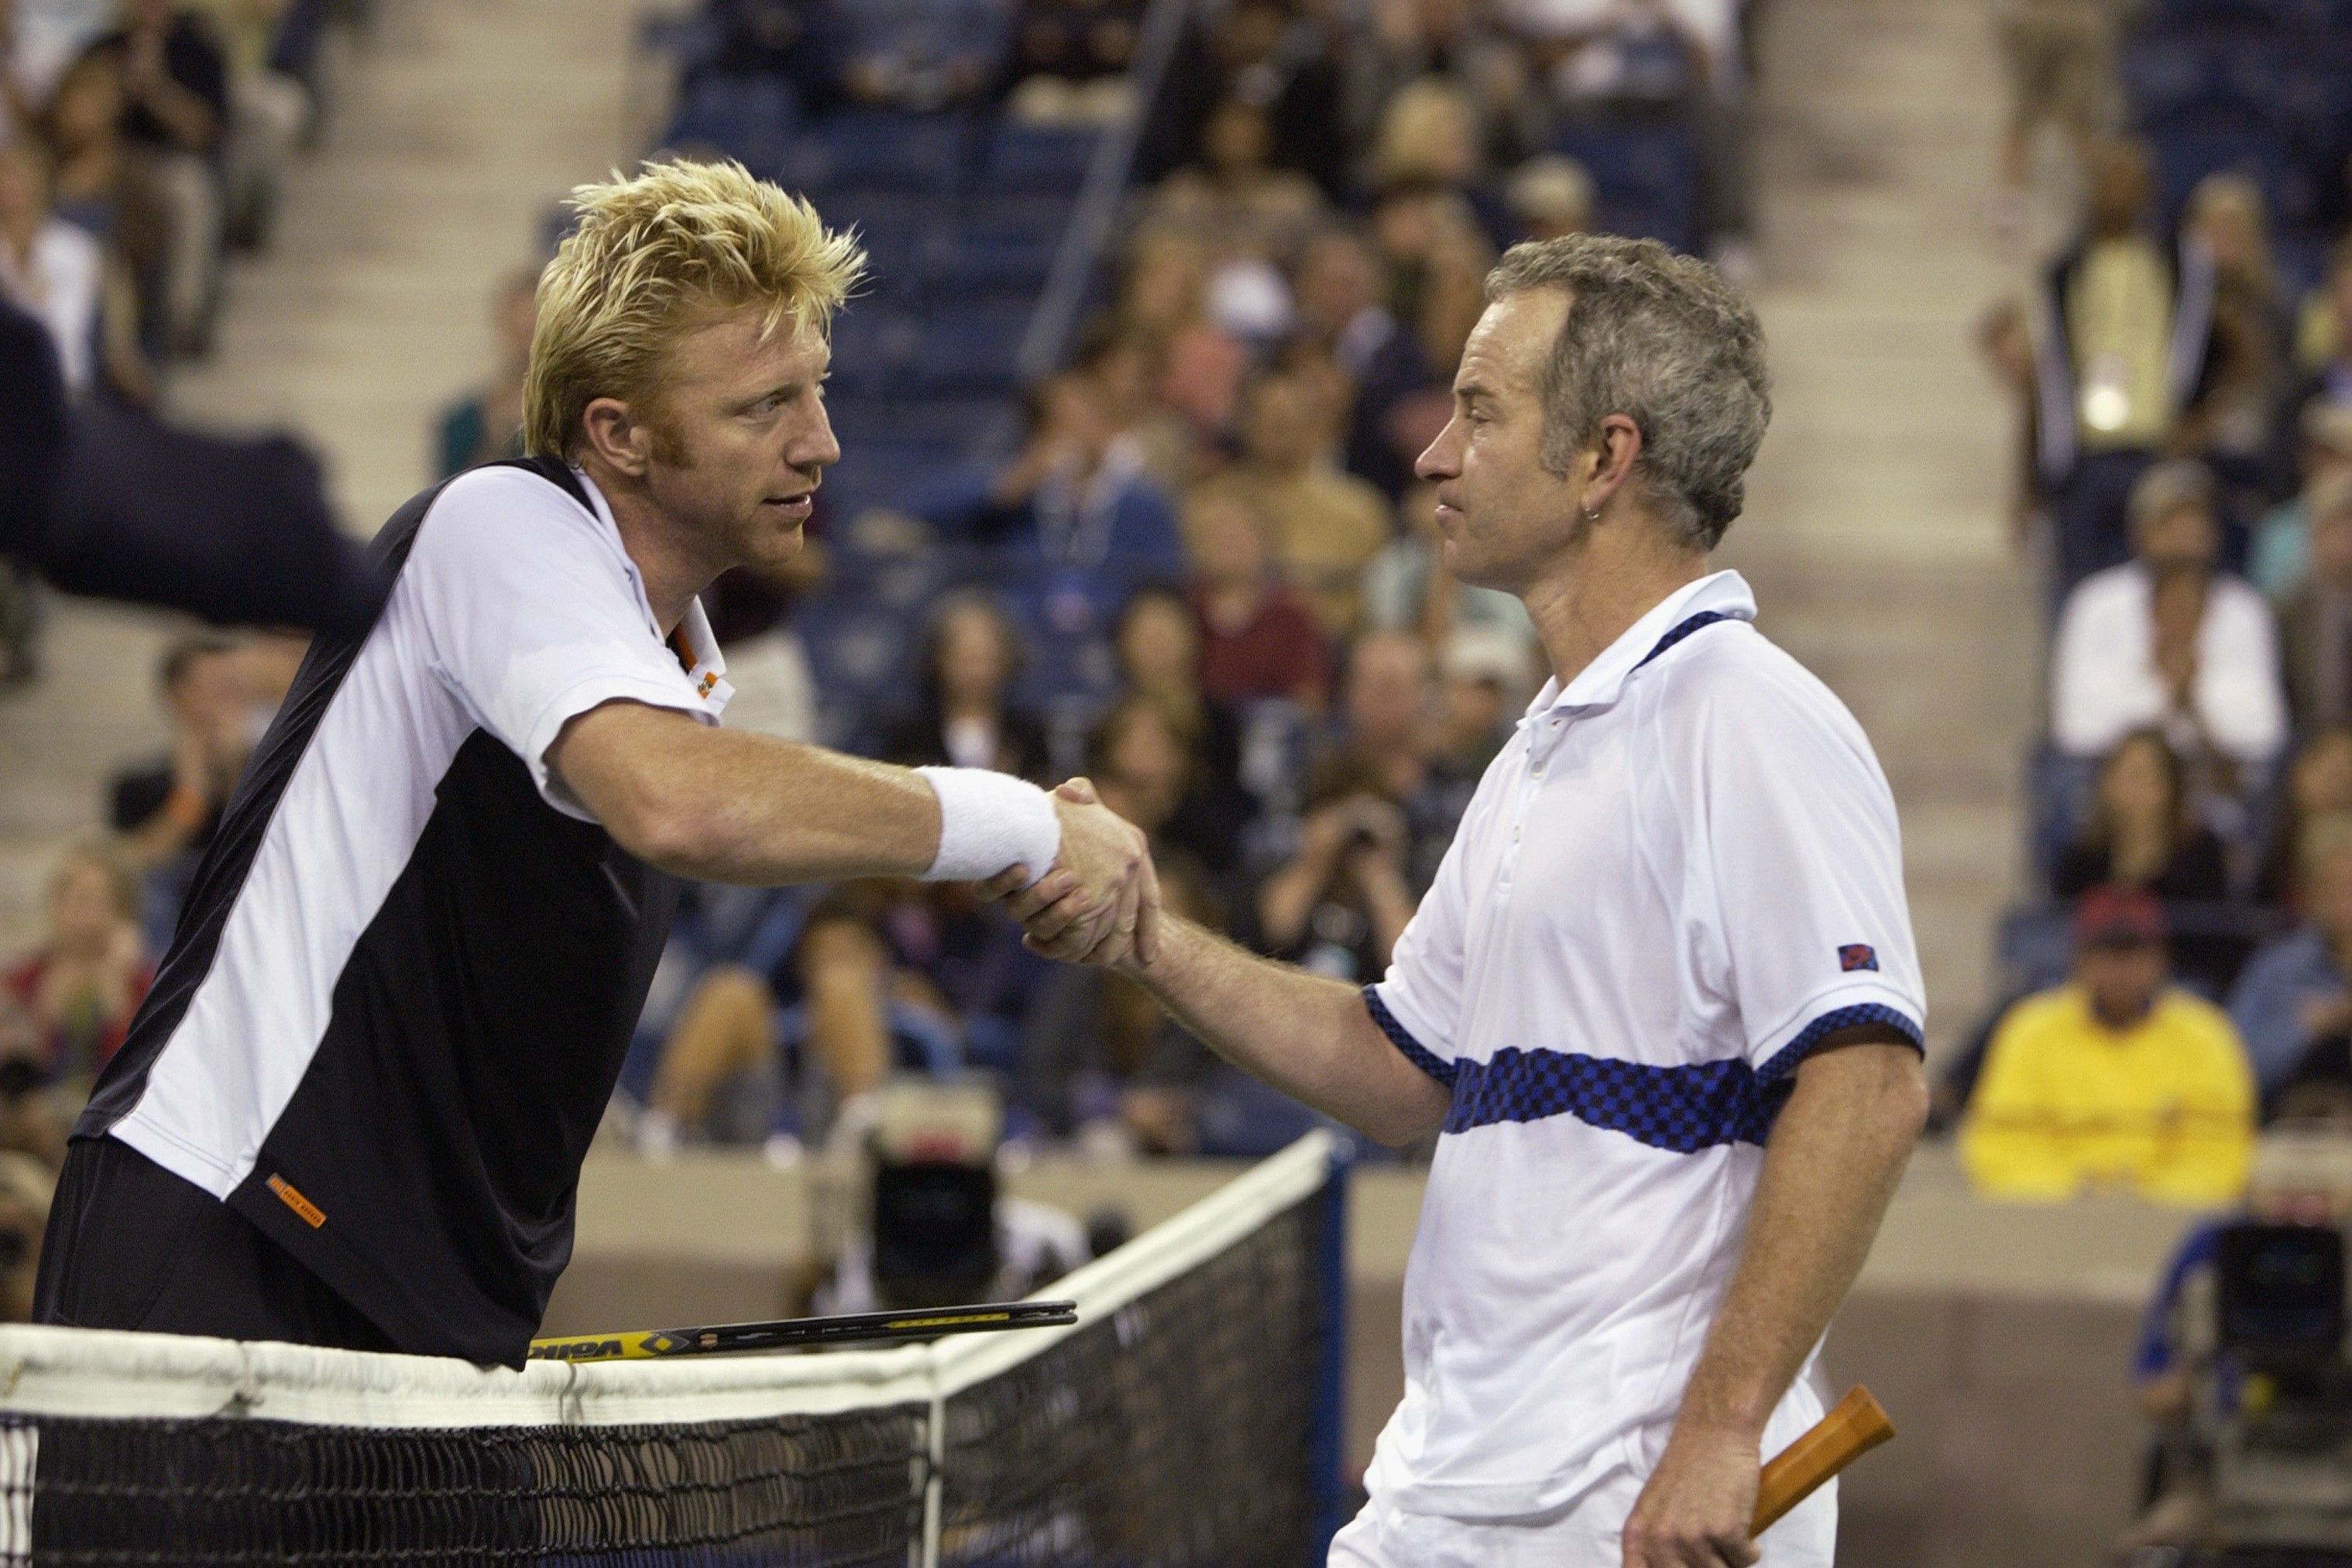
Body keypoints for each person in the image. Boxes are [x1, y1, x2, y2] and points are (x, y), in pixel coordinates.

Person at [33, 159, 1154, 1367]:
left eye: (817, 392)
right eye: (763, 408)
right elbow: (681, 805)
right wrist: (1024, 825)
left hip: (415, 1309)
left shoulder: (667, 668)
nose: (820, 444)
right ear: (617, 436)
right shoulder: (499, 523)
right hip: (230, 1233)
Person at [991, 234, 1927, 1566]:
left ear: (1603, 461)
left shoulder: (1747, 717)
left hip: (1629, 1496)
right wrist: (1143, 934)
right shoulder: (1539, 747)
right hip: (1455, 1488)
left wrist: (1722, 1429)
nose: (1433, 456)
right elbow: (1398, 1070)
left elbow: (1868, 1084)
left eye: (1480, 413)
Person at [1959, 886, 2255, 1206]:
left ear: (2161, 959)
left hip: (2170, 1220)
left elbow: (2222, 1149)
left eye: (2134, 954)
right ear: (2079, 959)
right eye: (2107, 954)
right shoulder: (2031, 1030)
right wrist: (2075, 1197)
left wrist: (2149, 1200)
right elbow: (2001, 1144)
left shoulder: (2206, 1034)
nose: (2121, 971)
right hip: (2052, 1218)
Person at [2024, 137, 2216, 599]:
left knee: (2158, 587)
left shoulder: (2177, 261)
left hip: (2155, 447)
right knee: (2076, 588)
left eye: (2129, 181)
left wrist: (2194, 418)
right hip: (2084, 454)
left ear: (2149, 189)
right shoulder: (2065, 270)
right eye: (2107, 180)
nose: (2117, 192)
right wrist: (2036, 467)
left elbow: (2212, 344)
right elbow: (2048, 369)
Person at [2049, 459, 2285, 773]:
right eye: (2171, 522)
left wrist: (2187, 699)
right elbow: (2075, 727)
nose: (2185, 535)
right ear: (2139, 533)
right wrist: (2168, 695)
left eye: (2196, 521)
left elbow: (2264, 732)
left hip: (2217, 777)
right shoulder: (2095, 604)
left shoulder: (2246, 610)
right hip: (2104, 777)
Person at [1200, 367, 1393, 639]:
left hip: (1333, 646)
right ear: (1243, 422)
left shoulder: (1360, 511)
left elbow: (1378, 602)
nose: (1277, 427)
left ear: (1316, 425)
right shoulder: (1206, 504)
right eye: (1267, 418)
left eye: (1288, 419)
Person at [2, 840, 152, 1089]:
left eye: (90, 899)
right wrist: (41, 1013)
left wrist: (119, 993)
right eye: (68, 897)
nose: (76, 913)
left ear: (121, 911)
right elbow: (18, 1075)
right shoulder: (23, 979)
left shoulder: (144, 984)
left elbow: (141, 1070)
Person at [2231, 811, 2352, 1097]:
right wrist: (2307, 1026)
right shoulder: (2275, 967)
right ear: (2308, 893)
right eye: (2331, 885)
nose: (2344, 899)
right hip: (2293, 1116)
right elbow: (2232, 1065)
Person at [1185, 485, 1331, 711]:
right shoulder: (1184, 611)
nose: (1228, 547)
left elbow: (1309, 698)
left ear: (1264, 543)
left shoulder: (1290, 615)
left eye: (1238, 537)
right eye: (1217, 537)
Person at [877, 589, 1049, 781]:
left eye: (985, 657)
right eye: (964, 658)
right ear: (938, 659)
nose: (974, 672)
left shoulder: (1028, 736)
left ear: (1007, 660)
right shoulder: (910, 736)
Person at [435, 266, 538, 479]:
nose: (527, 348)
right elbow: (451, 491)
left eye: (534, 332)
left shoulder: (575, 418)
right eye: (520, 331)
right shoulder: (462, 422)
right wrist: (495, 436)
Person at [2273, 473, 2352, 733]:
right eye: (2336, 527)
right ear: (2314, 534)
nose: (2345, 541)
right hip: (2301, 738)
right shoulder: (2285, 611)